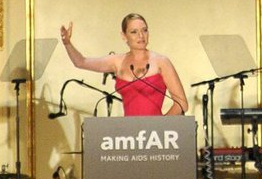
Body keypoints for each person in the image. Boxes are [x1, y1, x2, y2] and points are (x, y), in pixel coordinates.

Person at [59, 13, 188, 116]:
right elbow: (81, 62)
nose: (141, 36)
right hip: (127, 138)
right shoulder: (117, 61)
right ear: (124, 36)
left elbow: (181, 104)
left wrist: (159, 128)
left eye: (144, 30)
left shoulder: (161, 62)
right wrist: (67, 44)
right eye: (134, 32)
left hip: (156, 137)